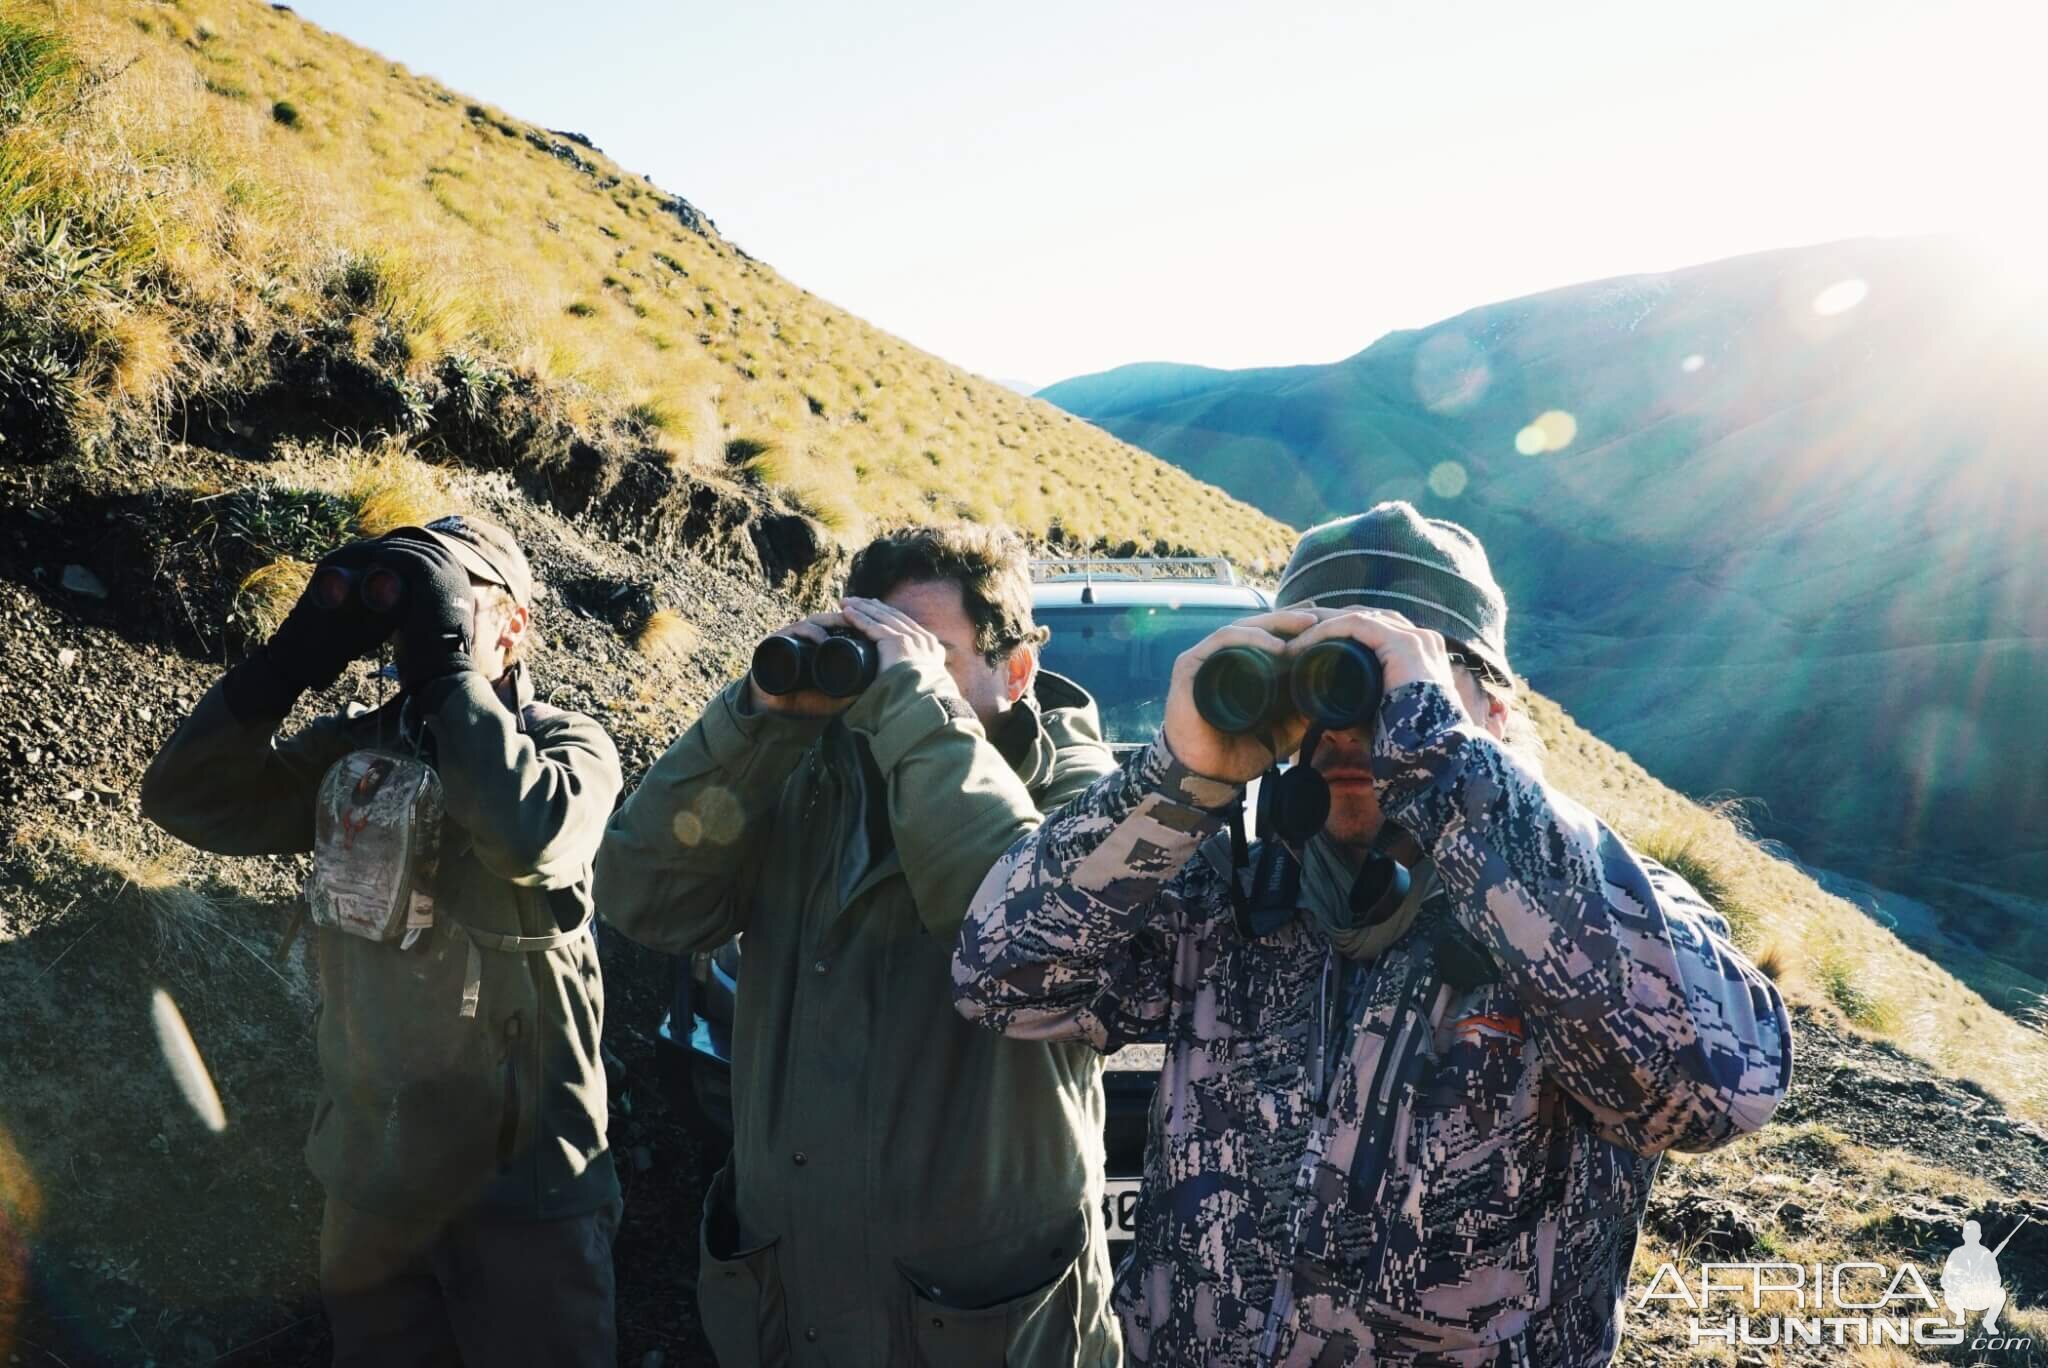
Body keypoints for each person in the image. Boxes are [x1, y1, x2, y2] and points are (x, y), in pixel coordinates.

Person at [954, 501, 1793, 1366]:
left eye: (1394, 677)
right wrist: (1176, 778)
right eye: (1318, 678)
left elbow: (1716, 1092)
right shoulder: (1224, 889)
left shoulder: (1593, 906)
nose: (1350, 724)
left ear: (1492, 711)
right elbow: (1002, 979)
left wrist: (1445, 763)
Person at [595, 523, 1123, 1367]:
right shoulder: (805, 778)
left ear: (1015, 672)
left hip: (979, 1325)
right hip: (794, 1308)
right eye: (873, 648)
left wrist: (914, 702)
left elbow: (1016, 923)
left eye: (926, 654)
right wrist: (751, 722)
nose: (888, 678)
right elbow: (641, 899)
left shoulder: (1081, 794)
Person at [140, 515, 624, 1368]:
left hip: (524, 1189)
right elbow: (187, 798)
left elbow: (529, 837)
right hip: (371, 1174)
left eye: (453, 607)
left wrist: (446, 680)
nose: (419, 635)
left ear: (511, 628)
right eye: (411, 618)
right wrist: (285, 667)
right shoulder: (361, 750)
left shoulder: (568, 749)